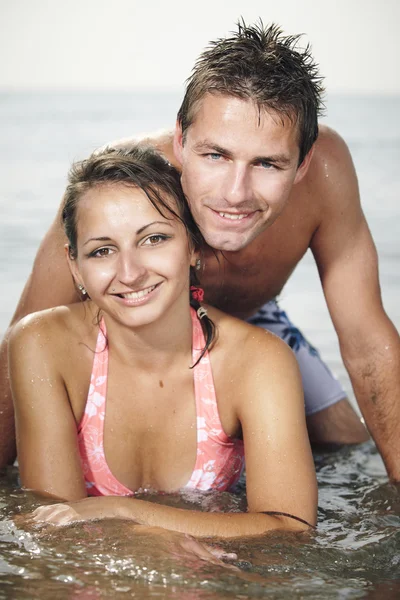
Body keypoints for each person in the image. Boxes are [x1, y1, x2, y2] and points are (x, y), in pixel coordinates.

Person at [1, 22, 399, 480]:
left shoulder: (327, 175)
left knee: (348, 444)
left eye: (267, 163)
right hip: (141, 326)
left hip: (255, 322)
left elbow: (368, 344)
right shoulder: (127, 190)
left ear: (303, 162)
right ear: (181, 141)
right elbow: (22, 345)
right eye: (215, 155)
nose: (235, 193)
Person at [8, 146, 317, 536]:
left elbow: (291, 528)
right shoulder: (43, 345)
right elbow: (55, 529)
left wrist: (124, 511)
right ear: (75, 266)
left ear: (192, 246)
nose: (130, 272)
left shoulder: (255, 361)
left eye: (153, 239)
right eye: (102, 250)